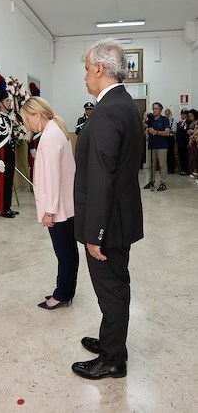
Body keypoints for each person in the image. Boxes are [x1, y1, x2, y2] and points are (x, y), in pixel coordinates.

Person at [72, 38, 143, 380]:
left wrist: (95, 233)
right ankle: (111, 341)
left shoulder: (105, 112)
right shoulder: (125, 104)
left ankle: (113, 359)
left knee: (111, 290)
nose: (85, 76)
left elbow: (101, 177)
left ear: (99, 69)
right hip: (121, 217)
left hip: (107, 224)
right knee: (116, 285)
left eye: (87, 69)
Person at [20, 97, 78, 310]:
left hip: (59, 208)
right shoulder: (55, 130)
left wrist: (50, 211)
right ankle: (66, 290)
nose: (27, 124)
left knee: (64, 254)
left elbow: (53, 177)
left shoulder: (50, 136)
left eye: (27, 118)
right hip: (65, 204)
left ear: (37, 114)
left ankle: (62, 294)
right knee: (68, 252)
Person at [0, 89, 18, 218]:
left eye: (10, 101)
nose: (9, 103)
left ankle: (7, 207)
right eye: (7, 101)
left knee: (9, 182)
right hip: (1, 157)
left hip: (9, 156)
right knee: (2, 184)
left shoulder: (7, 119)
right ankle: (1, 209)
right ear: (0, 103)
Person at [143, 102, 170, 191]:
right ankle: (151, 181)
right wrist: (144, 119)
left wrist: (155, 132)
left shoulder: (164, 119)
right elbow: (143, 126)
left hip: (162, 146)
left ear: (160, 110)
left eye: (156, 109)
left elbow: (167, 132)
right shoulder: (150, 119)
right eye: (153, 108)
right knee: (151, 165)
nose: (154, 110)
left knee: (162, 165)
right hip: (151, 145)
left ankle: (163, 183)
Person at [176, 108, 190, 175]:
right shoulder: (179, 123)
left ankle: (186, 170)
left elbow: (187, 134)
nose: (183, 116)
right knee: (180, 156)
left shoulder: (188, 122)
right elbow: (177, 133)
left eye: (184, 114)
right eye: (182, 114)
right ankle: (182, 169)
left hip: (185, 143)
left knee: (185, 156)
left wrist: (187, 143)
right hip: (180, 143)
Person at [164, 108, 177, 173]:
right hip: (165, 138)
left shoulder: (173, 120)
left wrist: (168, 130)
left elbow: (174, 130)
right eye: (166, 113)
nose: (167, 114)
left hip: (171, 138)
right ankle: (166, 168)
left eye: (168, 113)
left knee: (171, 153)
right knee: (165, 153)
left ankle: (172, 168)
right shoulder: (163, 120)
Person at [187, 109, 198, 178]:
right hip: (191, 142)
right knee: (192, 157)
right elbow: (188, 132)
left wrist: (192, 135)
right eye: (189, 116)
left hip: (195, 142)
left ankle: (196, 171)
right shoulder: (191, 123)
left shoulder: (197, 122)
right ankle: (194, 170)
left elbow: (195, 132)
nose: (189, 117)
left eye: (191, 116)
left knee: (195, 157)